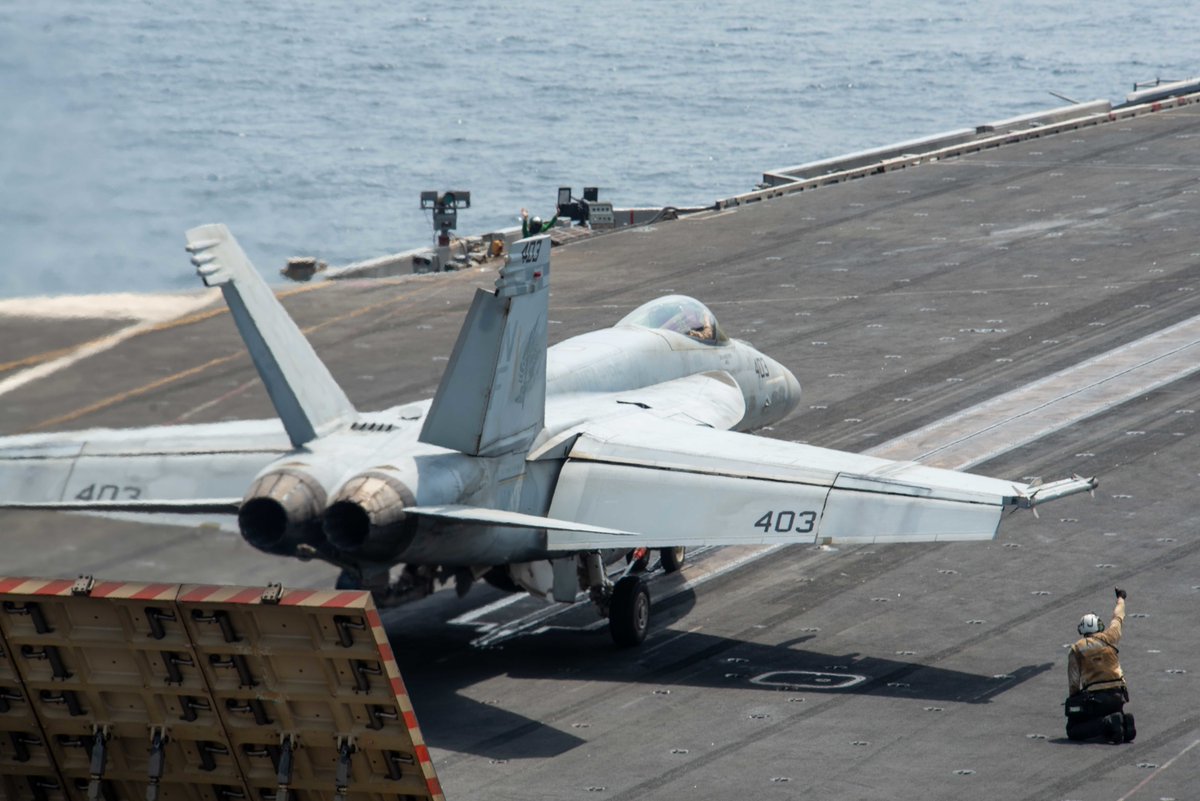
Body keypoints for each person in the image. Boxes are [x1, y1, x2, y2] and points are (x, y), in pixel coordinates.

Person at [1064, 587, 1136, 743]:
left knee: (1073, 730)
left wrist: (1075, 701)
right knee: (1113, 713)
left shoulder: (1076, 648)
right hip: (1119, 695)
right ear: (1099, 626)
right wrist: (1121, 598)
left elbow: (1074, 683)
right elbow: (1118, 616)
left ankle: (1108, 723)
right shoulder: (1110, 636)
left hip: (1097, 699)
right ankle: (1125, 722)